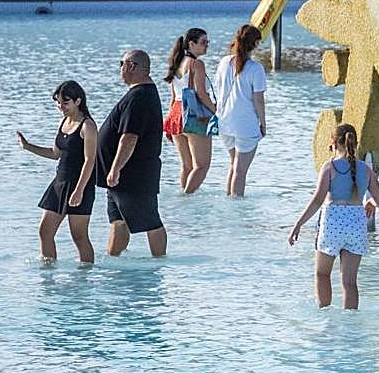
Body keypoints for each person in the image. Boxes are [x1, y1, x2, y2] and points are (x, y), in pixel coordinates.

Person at [288, 124, 379, 309]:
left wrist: (298, 224)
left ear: (333, 143)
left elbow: (317, 200)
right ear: (355, 143)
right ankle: (350, 323)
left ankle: (325, 316)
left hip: (333, 223)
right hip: (356, 225)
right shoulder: (365, 169)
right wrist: (371, 203)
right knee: (350, 282)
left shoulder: (330, 167)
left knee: (322, 274)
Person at [18, 80, 98, 264]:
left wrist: (79, 190)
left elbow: (90, 160)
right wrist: (28, 147)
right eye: (58, 103)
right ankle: (48, 273)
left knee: (79, 236)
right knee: (45, 231)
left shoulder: (88, 126)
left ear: (78, 101)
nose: (61, 107)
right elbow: (55, 154)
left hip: (80, 185)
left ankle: (85, 275)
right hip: (59, 183)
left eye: (65, 102)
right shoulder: (63, 122)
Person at [97, 50, 167, 257]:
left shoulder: (139, 97)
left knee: (150, 221)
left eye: (122, 64)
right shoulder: (139, 93)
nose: (120, 68)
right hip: (121, 176)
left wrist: (116, 168)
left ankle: (159, 262)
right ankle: (113, 261)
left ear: (131, 66)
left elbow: (129, 137)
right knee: (118, 221)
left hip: (133, 173)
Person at [214, 24, 267, 197]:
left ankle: (229, 204)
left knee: (233, 166)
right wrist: (263, 124)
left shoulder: (224, 62)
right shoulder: (256, 69)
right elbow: (259, 100)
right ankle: (237, 208)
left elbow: (217, 88)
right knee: (240, 170)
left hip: (224, 122)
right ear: (255, 44)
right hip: (245, 124)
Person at [161, 28, 217, 193]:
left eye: (207, 42)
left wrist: (169, 123)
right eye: (203, 42)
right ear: (191, 44)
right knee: (201, 166)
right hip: (193, 114)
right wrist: (217, 112)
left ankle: (184, 201)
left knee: (187, 165)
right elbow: (201, 94)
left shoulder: (176, 63)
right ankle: (187, 197)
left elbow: (173, 97)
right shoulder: (197, 64)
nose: (207, 45)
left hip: (176, 113)